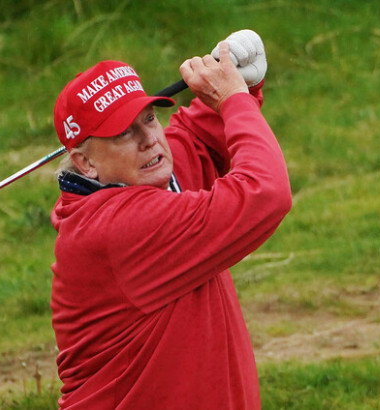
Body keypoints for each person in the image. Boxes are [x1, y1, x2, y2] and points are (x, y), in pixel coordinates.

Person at [50, 30, 291, 409]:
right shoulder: (119, 228)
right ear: (85, 163)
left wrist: (238, 82)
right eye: (123, 133)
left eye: (149, 119)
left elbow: (198, 139)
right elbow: (266, 193)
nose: (148, 139)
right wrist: (234, 100)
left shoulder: (145, 174)